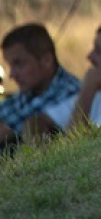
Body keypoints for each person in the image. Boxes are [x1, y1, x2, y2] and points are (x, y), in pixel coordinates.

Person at [1, 24, 81, 154]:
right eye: (10, 65)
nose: (12, 74)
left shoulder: (70, 93)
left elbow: (22, 126)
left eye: (19, 64)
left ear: (46, 60)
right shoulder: (28, 93)